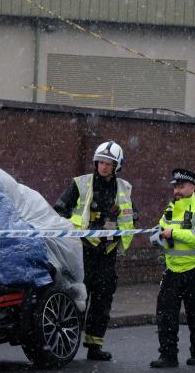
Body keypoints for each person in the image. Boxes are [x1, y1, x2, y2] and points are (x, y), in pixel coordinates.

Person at [54, 141, 137, 361]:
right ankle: (68, 344)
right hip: (83, 251)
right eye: (100, 162)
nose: (103, 166)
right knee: (78, 298)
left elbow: (132, 214)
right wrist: (85, 228)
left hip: (108, 253)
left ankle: (94, 346)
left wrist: (117, 225)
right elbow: (59, 211)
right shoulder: (81, 184)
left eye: (109, 163)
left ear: (117, 166)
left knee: (102, 301)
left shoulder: (124, 188)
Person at [149, 168, 195, 368]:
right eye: (175, 186)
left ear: (192, 187)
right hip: (172, 269)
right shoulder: (169, 210)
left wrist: (173, 233)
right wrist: (157, 237)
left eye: (181, 186)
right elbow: (162, 231)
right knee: (165, 314)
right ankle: (168, 356)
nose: (177, 190)